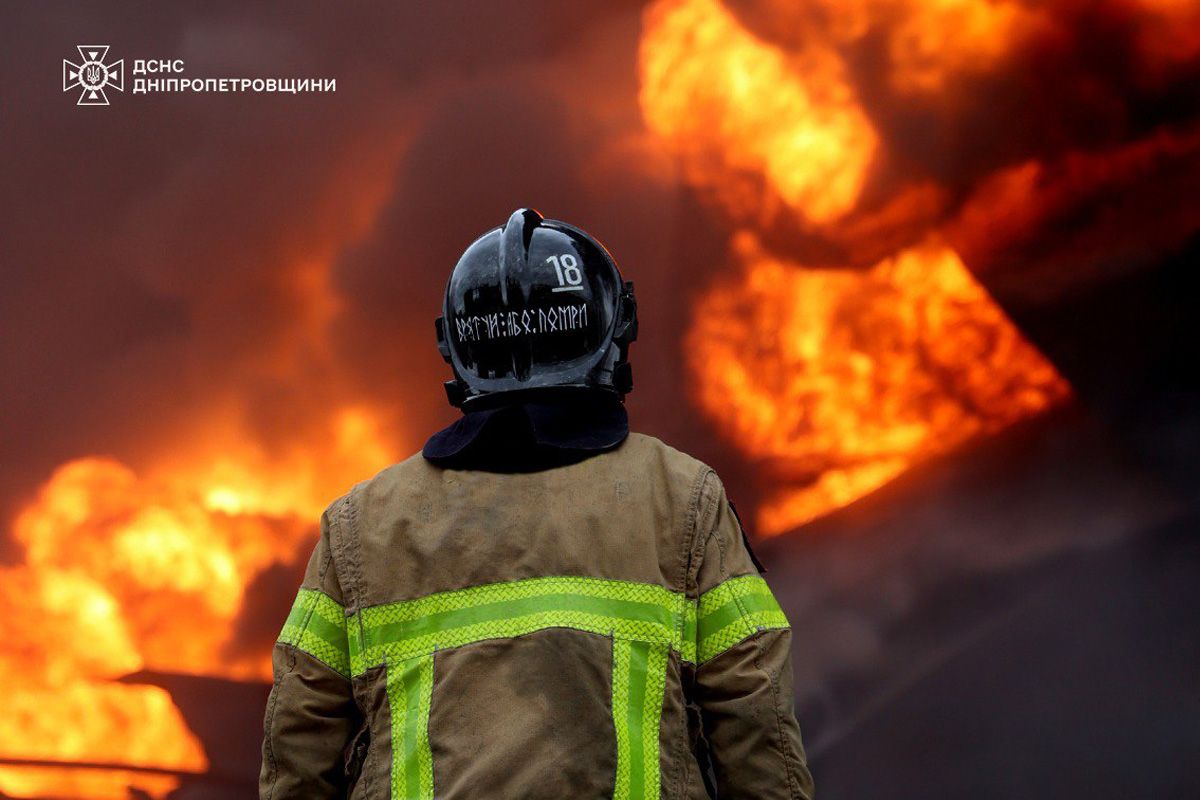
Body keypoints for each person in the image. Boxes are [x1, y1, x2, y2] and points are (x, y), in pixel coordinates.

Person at [259, 209, 815, 799]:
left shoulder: (362, 525)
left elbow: (299, 738)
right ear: (611, 333)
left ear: (456, 348)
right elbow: (754, 714)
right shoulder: (682, 498)